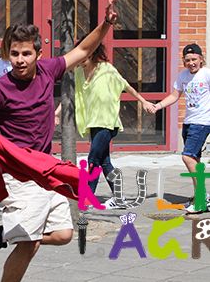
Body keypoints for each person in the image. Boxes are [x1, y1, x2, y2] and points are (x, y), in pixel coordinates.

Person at [0, 0, 119, 281]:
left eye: (25, 53)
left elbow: (84, 48)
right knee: (28, 243)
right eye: (14, 54)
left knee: (63, 235)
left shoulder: (49, 70)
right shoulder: (1, 88)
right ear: (8, 55)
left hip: (45, 169)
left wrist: (106, 24)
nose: (19, 60)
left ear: (37, 53)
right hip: (20, 175)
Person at [56, 40, 155, 209]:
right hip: (94, 122)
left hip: (107, 122)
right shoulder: (79, 72)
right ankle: (118, 198)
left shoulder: (107, 69)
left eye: (84, 55)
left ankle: (86, 199)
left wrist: (144, 101)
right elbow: (71, 95)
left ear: (93, 52)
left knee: (93, 160)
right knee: (104, 162)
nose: (80, 60)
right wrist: (57, 113)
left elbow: (126, 85)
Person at [148, 43, 210, 214]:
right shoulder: (183, 76)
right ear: (184, 61)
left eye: (194, 59)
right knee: (195, 161)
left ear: (201, 59)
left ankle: (201, 200)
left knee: (187, 157)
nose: (191, 63)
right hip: (189, 122)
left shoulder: (206, 74)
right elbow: (175, 95)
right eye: (188, 60)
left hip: (203, 122)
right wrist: (158, 106)